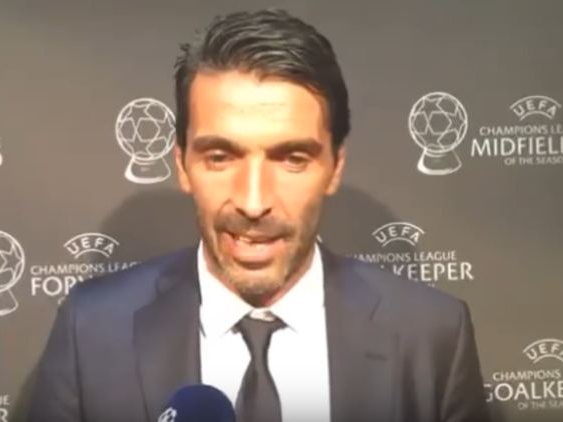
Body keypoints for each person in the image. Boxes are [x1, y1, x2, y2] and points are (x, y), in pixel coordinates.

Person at [27, 8, 490, 422]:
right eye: (220, 157)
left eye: (291, 159)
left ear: (335, 167)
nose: (253, 202)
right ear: (182, 165)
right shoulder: (92, 331)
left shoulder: (432, 335)